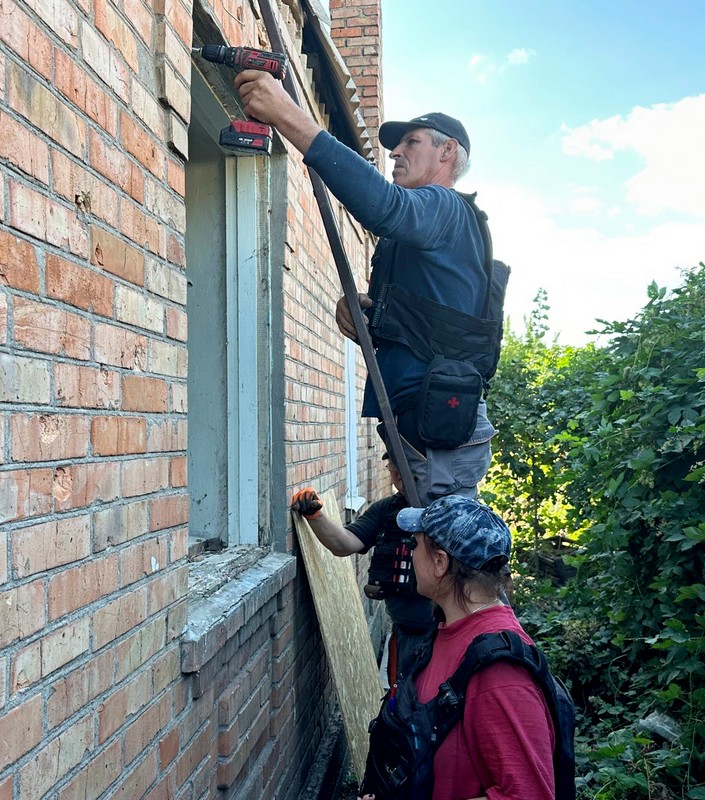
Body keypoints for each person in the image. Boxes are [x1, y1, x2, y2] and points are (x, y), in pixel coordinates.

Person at [236, 72, 500, 507]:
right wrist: (367, 311)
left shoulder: (444, 207)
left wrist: (285, 113)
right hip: (424, 428)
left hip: (441, 437)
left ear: (447, 151)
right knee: (431, 561)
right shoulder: (423, 232)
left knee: (446, 564)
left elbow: (385, 207)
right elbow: (429, 324)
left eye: (411, 142)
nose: (394, 151)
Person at [363, 495, 555, 800]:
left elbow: (529, 794)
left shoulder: (500, 675)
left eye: (415, 546)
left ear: (440, 562)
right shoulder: (448, 628)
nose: (410, 556)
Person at [290, 454, 436, 683]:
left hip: (447, 634)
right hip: (407, 634)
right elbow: (344, 544)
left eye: (404, 469)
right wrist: (315, 515)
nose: (397, 476)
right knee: (405, 701)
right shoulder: (387, 509)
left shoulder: (451, 510)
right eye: (392, 469)